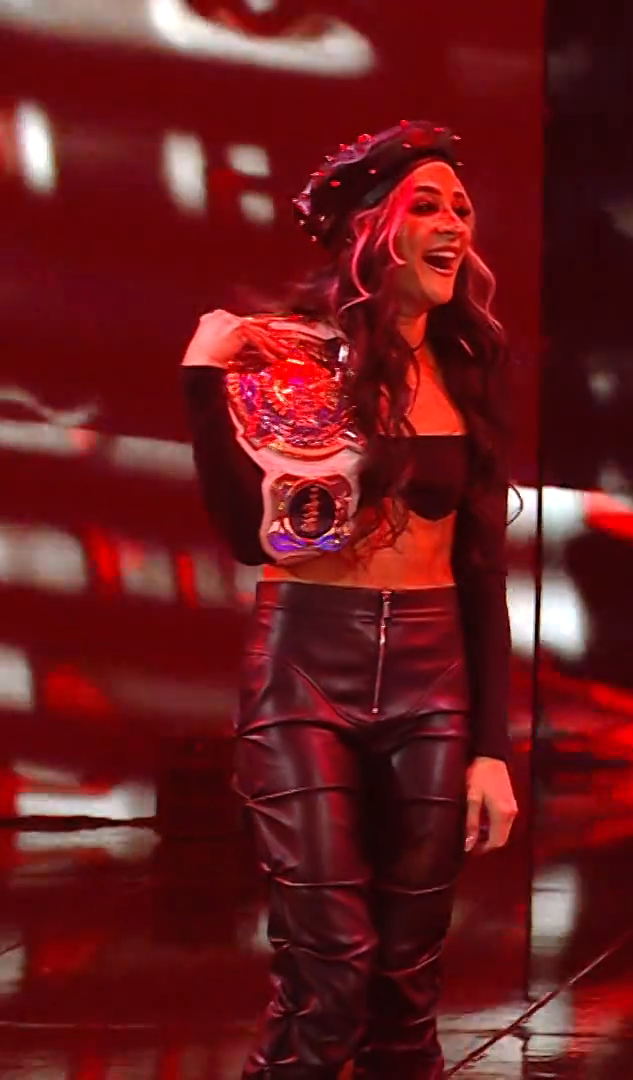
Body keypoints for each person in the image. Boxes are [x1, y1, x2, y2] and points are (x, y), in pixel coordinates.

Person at [179, 120, 520, 1079]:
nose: (454, 224)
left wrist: (492, 747)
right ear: (371, 230)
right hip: (306, 672)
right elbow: (252, 537)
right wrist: (204, 381)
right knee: (329, 972)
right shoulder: (296, 362)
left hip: (432, 678)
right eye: (427, 206)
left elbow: (481, 571)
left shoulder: (465, 367)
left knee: (405, 991)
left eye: (462, 208)